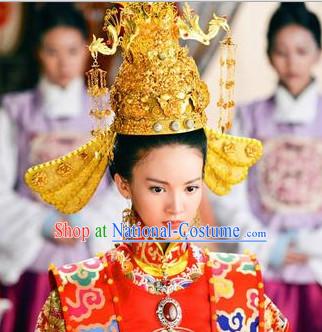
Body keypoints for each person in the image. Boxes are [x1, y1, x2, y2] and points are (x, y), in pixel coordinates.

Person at [27, 3, 289, 331]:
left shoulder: (241, 287)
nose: (177, 208)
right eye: (157, 188)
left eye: (191, 187)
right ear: (123, 184)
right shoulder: (77, 294)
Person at [0, 4, 125, 332]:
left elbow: (125, 187)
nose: (63, 62)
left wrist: (90, 224)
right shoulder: (14, 112)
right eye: (52, 51)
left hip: (90, 256)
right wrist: (44, 223)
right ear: (38, 53)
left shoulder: (108, 113)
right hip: (33, 257)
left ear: (86, 50)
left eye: (72, 50)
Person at [212, 3, 322, 331]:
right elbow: (227, 193)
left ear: (317, 52)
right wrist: (267, 245)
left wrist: (312, 245)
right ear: (269, 55)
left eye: (301, 51)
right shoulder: (246, 118)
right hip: (265, 270)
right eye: (282, 52)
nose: (292, 63)